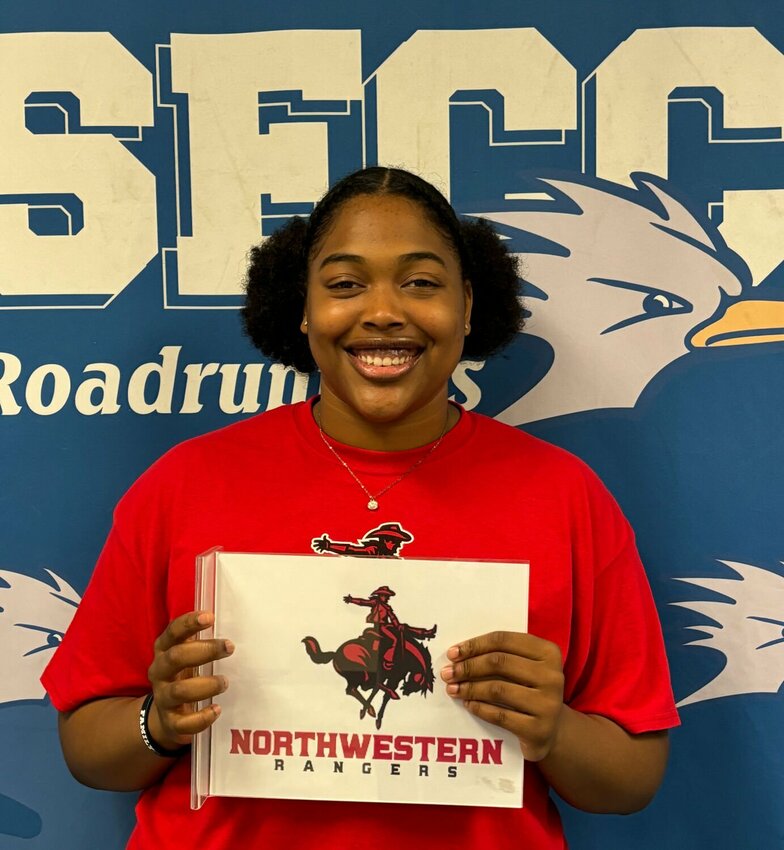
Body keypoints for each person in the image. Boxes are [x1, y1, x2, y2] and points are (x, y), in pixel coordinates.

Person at [42, 166, 679, 849]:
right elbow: (88, 749)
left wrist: (553, 728)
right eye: (345, 284)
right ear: (304, 308)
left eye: (421, 282)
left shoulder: (564, 496)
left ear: (467, 304)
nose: (382, 310)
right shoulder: (184, 483)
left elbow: (631, 778)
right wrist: (156, 722)